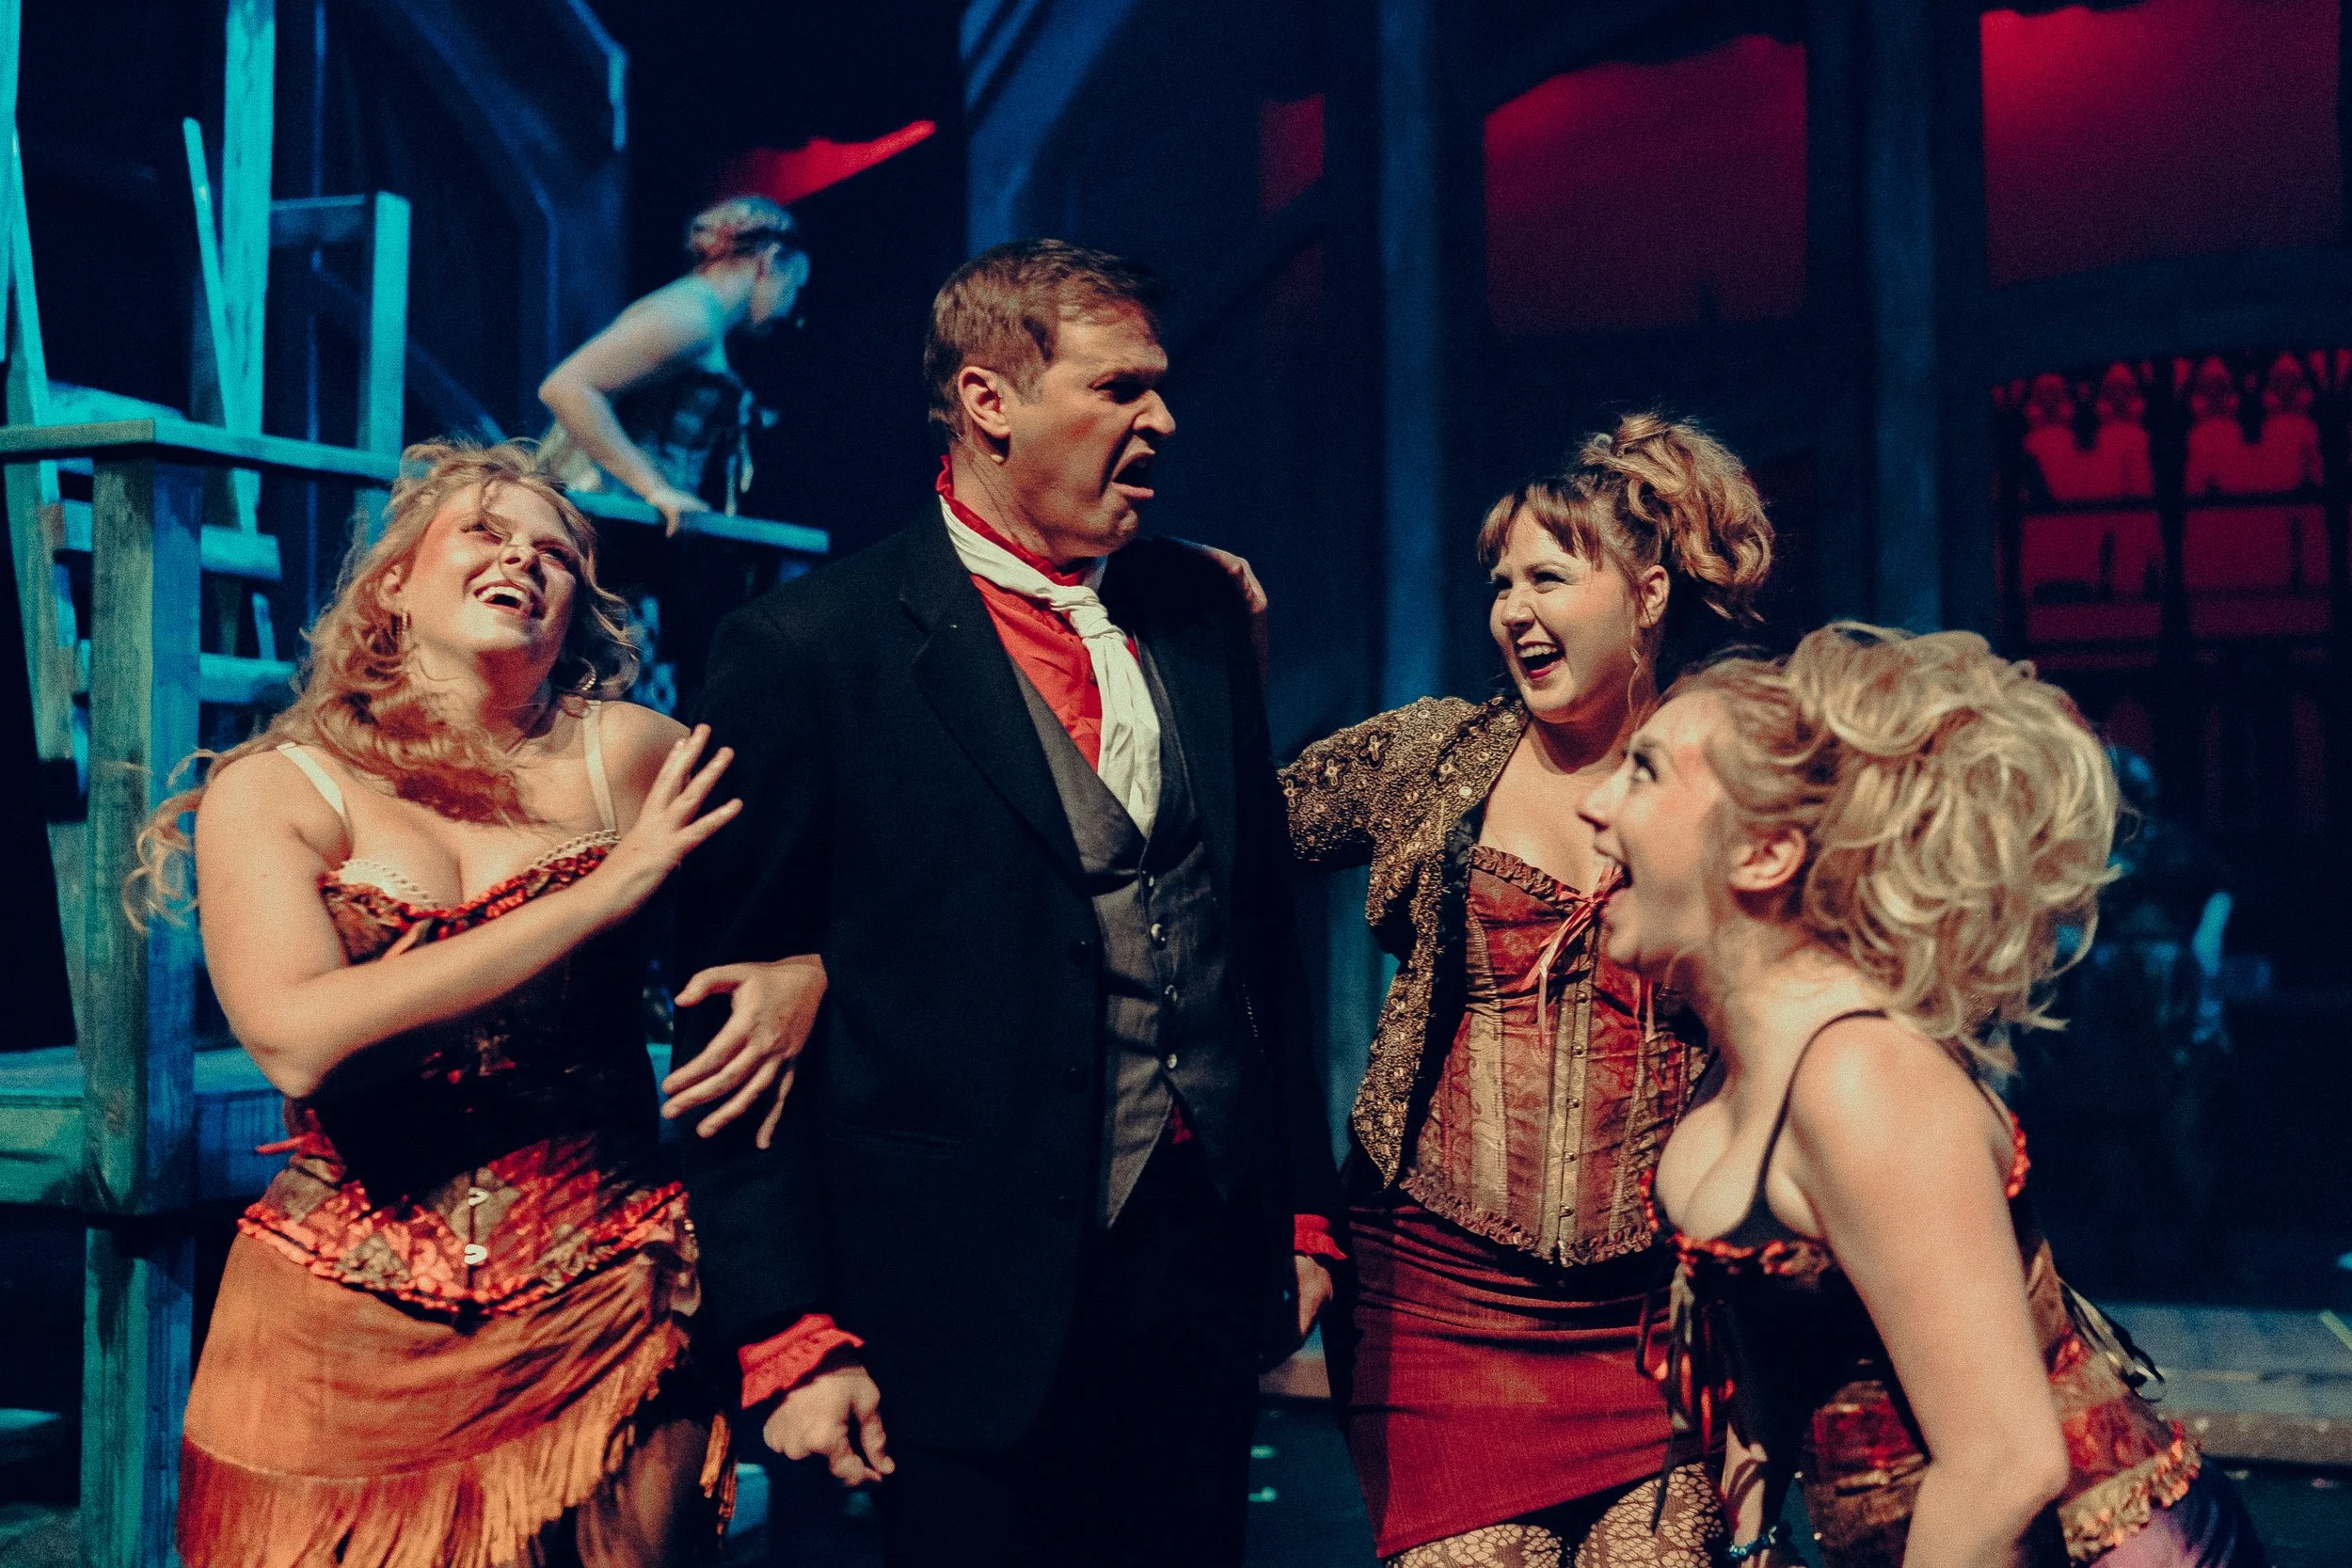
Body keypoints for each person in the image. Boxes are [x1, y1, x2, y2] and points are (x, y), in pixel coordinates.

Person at [668, 238, 1341, 1568]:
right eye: (1118, 386)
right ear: (989, 400)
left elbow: (1256, 931)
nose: (1163, 419)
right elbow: (728, 1020)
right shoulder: (810, 648)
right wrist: (788, 1330)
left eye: (1158, 386)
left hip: (1200, 1273)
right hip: (952, 1307)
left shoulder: (1201, 610)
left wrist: (1300, 1212)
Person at [144, 442, 744, 1568]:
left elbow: (840, 868)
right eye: (485, 530)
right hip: (332, 1331)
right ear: (393, 585)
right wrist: (599, 893)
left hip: (602, 1300)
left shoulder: (629, 756)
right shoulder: (278, 785)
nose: (524, 557)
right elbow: (301, 1040)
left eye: (556, 554)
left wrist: (797, 970)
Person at [1594, 625, 2267, 1566]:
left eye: (1644, 770)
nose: (1593, 804)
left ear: (1764, 851)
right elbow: (1765, 1361)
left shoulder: (1864, 1079)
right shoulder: (1734, 1069)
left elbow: (2004, 1466)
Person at [1279, 416, 1770, 1568]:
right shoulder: (1432, 757)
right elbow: (1213, 845)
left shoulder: (1736, 780)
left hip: (1655, 1317)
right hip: (1435, 1303)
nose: (1512, 609)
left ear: (1647, 594)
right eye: (1501, 583)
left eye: (1547, 577)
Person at [538, 195, 809, 534]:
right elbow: (565, 387)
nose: (791, 307)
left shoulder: (703, 316)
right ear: (769, 260)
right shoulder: (692, 315)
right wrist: (655, 488)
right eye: (794, 286)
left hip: (620, 520)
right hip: (593, 513)